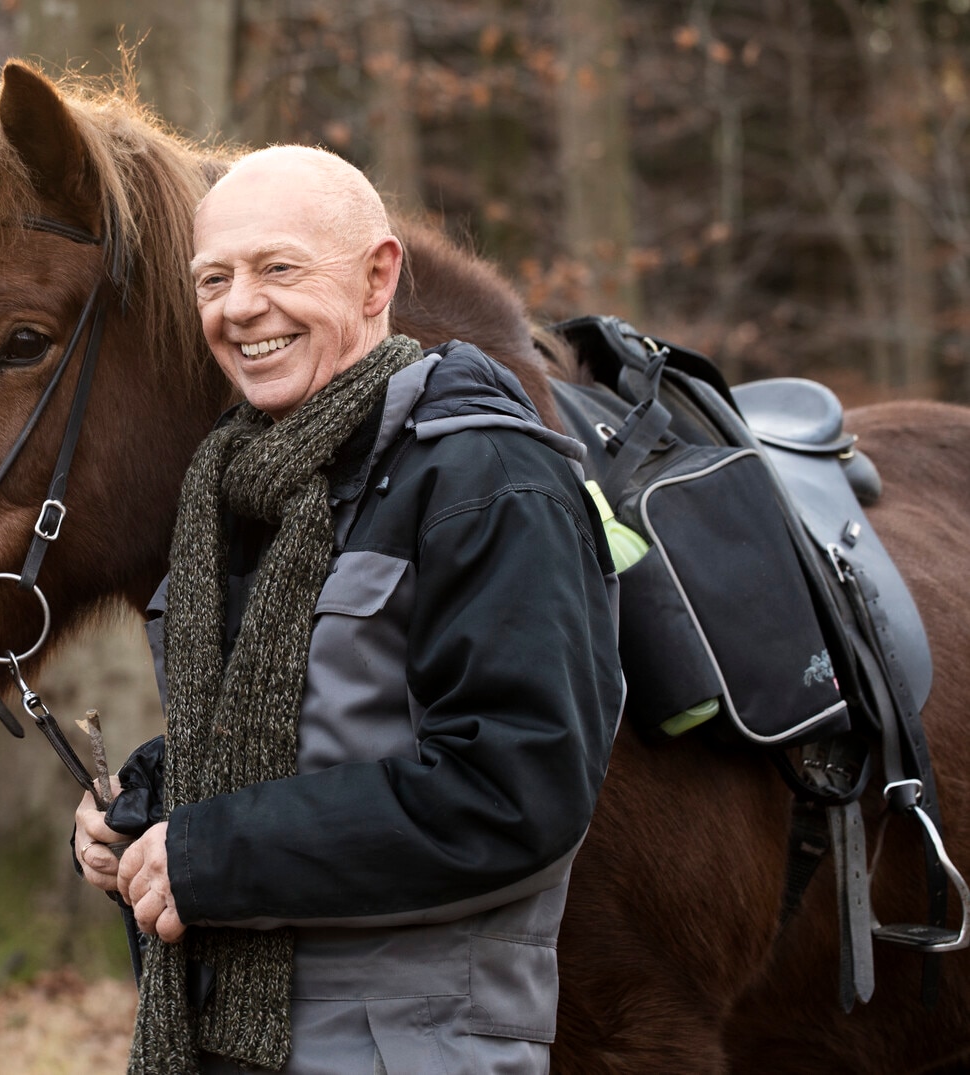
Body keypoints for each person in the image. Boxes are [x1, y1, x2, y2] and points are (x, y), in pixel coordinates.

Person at [74, 145, 622, 1075]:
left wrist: (210, 857)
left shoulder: (484, 476)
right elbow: (310, 736)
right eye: (214, 278)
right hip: (229, 1040)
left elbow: (513, 789)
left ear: (379, 277)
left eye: (278, 268)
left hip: (415, 1045)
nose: (240, 305)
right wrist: (148, 806)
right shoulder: (233, 489)